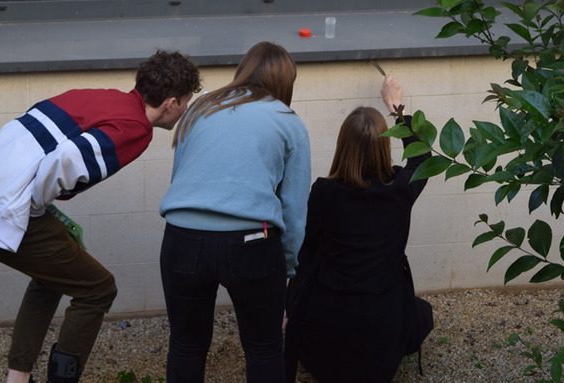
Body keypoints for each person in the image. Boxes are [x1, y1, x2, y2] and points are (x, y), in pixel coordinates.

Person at [0, 50, 201, 383]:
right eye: (186, 102)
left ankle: (17, 378)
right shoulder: (137, 128)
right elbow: (65, 160)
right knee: (98, 288)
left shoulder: (99, 97)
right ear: (171, 103)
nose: (184, 110)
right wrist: (37, 204)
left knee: (57, 273)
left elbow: (32, 121)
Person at [159, 41, 311, 383]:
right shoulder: (289, 122)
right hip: (252, 243)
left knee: (186, 345)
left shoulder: (201, 108)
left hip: (183, 238)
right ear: (287, 81)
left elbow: (179, 178)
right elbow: (294, 208)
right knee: (264, 347)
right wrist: (287, 269)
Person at [284, 75, 433, 383]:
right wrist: (396, 108)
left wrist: (291, 308)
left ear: (343, 147)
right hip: (382, 327)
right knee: (421, 314)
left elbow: (306, 249)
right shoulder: (399, 190)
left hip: (327, 324)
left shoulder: (325, 192)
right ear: (385, 144)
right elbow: (422, 157)